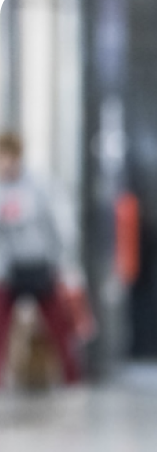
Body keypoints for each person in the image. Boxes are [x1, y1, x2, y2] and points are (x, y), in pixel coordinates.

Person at [0, 132, 81, 386]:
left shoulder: (40, 185)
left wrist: (60, 260)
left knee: (60, 328)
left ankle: (72, 379)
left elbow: (61, 225)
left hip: (42, 266)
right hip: (10, 269)